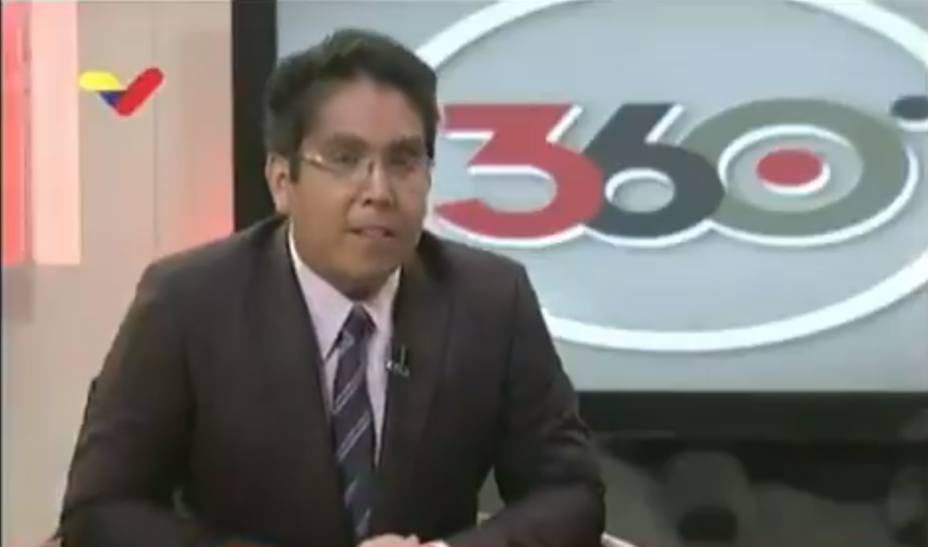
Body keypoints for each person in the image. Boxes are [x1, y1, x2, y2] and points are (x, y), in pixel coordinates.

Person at [59, 28, 604, 547]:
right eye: (346, 160)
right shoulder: (187, 302)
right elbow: (101, 510)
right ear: (282, 181)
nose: (379, 191)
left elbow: (570, 494)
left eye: (404, 161)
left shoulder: (490, 300)